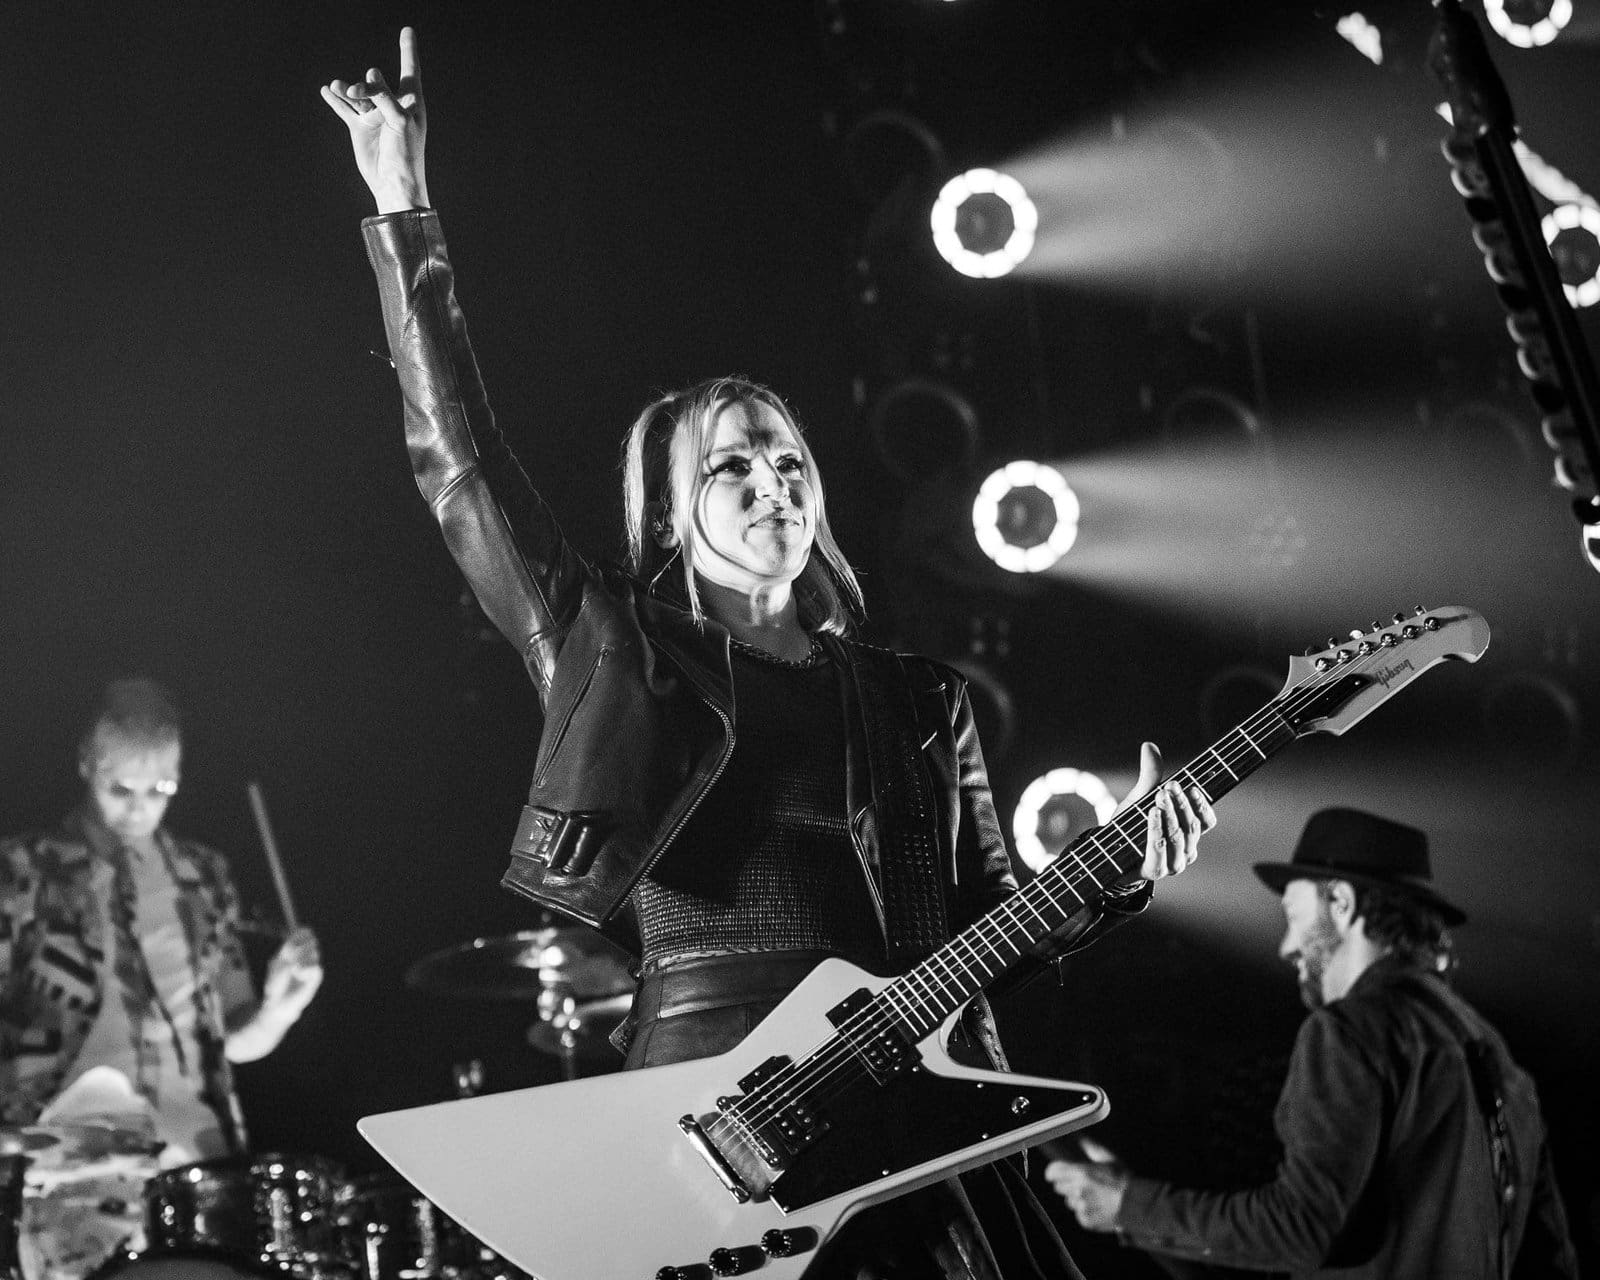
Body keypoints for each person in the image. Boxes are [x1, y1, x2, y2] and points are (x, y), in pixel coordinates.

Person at [322, 29, 1214, 1279]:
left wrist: (1115, 878)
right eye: (731, 464)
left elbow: (986, 923)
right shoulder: (612, 646)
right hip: (708, 1104)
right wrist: (402, 205)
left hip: (907, 1101)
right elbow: (459, 464)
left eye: (788, 460)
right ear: (668, 511)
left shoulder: (916, 697)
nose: (771, 483)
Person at [1045, 807, 1579, 1280]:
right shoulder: (1498, 1058)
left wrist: (1129, 1206)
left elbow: (1301, 1228)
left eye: (1295, 917)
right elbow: (1551, 1260)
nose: (1287, 946)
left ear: (1341, 903)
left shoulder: (1350, 1030)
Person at [0, 679, 323, 1279]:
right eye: (120, 788)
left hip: (198, 1154)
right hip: (73, 1151)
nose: (140, 808)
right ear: (86, 764)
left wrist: (281, 1008)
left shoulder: (204, 876)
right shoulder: (22, 871)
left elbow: (235, 1041)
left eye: (161, 790)